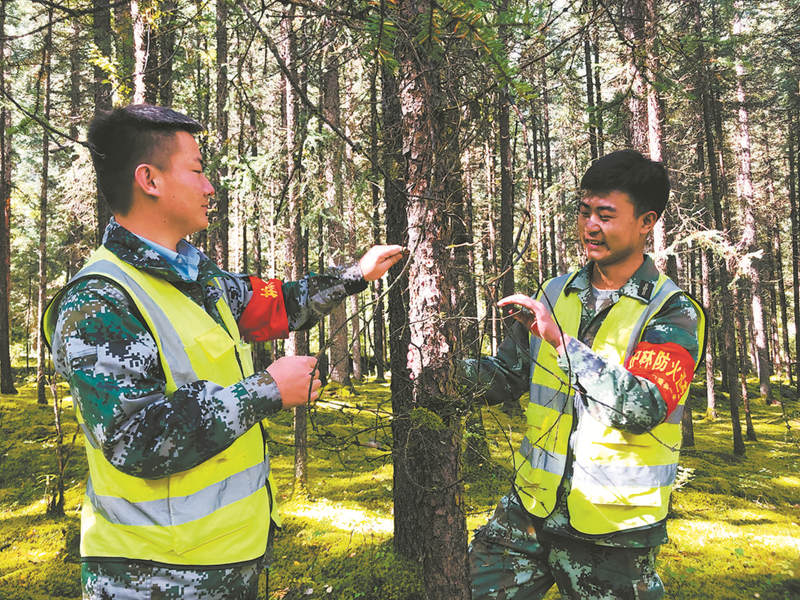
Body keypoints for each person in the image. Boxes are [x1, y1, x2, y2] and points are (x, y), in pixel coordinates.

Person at [42, 104, 404, 599]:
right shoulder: (100, 300)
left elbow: (275, 305)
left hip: (229, 561)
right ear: (149, 179)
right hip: (150, 576)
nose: (210, 187)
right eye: (196, 170)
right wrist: (266, 391)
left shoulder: (198, 277)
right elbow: (133, 438)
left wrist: (353, 275)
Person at [467, 150, 705, 599]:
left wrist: (562, 344)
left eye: (606, 214)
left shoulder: (673, 312)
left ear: (646, 221)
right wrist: (432, 375)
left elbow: (644, 406)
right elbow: (507, 375)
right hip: (530, 512)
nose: (590, 226)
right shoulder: (555, 294)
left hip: (613, 533)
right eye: (584, 211)